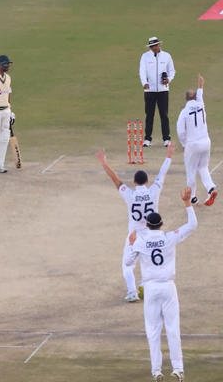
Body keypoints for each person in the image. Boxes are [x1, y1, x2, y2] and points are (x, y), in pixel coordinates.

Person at [124, 187, 197, 382]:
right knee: (173, 328)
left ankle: (157, 371)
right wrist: (187, 202)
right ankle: (178, 370)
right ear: (162, 224)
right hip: (168, 287)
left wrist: (132, 244)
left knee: (153, 331)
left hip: (150, 289)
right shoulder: (169, 237)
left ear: (147, 225)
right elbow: (192, 224)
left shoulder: (140, 241)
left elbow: (128, 263)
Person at [95, 143, 175, 302]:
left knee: (127, 265)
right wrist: (169, 155)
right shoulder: (154, 191)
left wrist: (104, 163)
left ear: (134, 182)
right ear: (147, 181)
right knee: (148, 263)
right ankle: (145, 286)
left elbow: (114, 178)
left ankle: (132, 292)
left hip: (134, 236)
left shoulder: (129, 194)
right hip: (151, 235)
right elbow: (162, 173)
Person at [176, 73, 217, 206]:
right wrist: (201, 85)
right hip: (206, 142)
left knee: (191, 171)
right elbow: (200, 95)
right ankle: (211, 189)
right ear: (195, 98)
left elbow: (180, 131)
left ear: (186, 99)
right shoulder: (201, 104)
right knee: (203, 167)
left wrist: (183, 143)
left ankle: (192, 197)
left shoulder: (184, 112)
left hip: (192, 144)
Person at [139, 37, 176, 147]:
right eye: (151, 46)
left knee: (164, 114)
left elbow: (172, 71)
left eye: (155, 46)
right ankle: (147, 138)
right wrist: (144, 83)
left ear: (159, 44)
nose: (153, 48)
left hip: (163, 90)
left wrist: (168, 79)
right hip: (150, 90)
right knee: (149, 115)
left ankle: (166, 138)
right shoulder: (145, 56)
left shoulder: (166, 56)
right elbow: (142, 71)